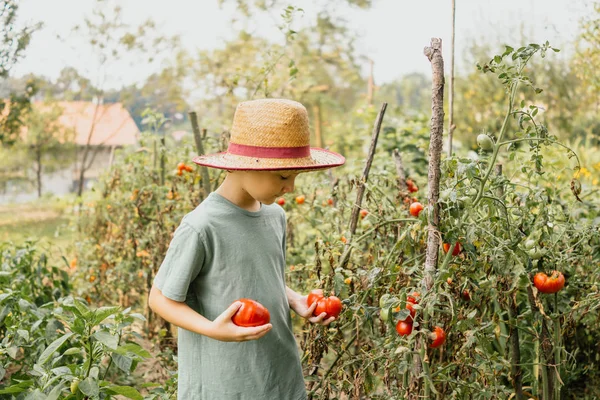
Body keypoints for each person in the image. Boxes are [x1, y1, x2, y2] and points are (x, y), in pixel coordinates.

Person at [148, 98, 346, 400]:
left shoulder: (274, 216)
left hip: (278, 373)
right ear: (245, 166)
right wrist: (214, 330)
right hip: (224, 381)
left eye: (295, 177)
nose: (290, 188)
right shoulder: (203, 225)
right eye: (282, 176)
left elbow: (264, 276)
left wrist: (295, 300)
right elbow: (160, 299)